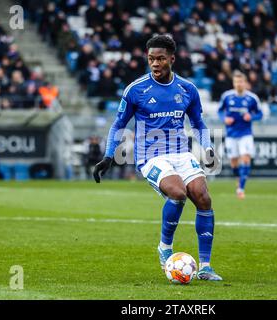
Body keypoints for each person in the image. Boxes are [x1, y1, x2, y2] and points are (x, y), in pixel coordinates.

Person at [93, 34, 222, 281]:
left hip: (181, 153)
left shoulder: (187, 89)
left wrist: (206, 147)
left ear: (172, 59)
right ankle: (165, 247)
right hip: (151, 157)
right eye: (151, 58)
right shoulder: (136, 89)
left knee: (203, 197)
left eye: (160, 59)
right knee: (178, 192)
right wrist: (108, 156)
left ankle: (205, 266)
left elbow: (198, 123)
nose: (155, 64)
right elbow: (117, 124)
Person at [218, 71, 263, 200]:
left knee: (245, 158)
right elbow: (220, 111)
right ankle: (239, 178)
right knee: (233, 162)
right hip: (231, 134)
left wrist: (252, 117)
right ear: (233, 83)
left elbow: (260, 114)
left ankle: (241, 188)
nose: (238, 84)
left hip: (245, 134)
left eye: (241, 82)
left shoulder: (252, 98)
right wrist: (224, 118)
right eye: (236, 82)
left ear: (245, 83)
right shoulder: (227, 96)